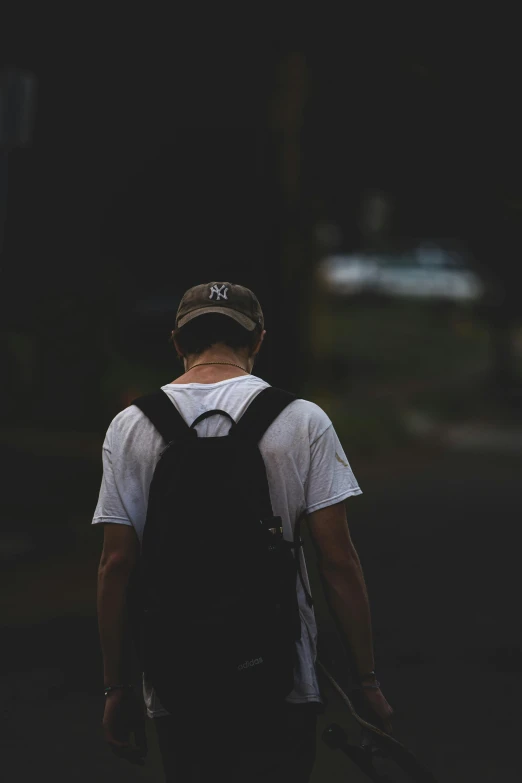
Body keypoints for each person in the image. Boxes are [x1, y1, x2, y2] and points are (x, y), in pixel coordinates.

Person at [94, 281, 393, 782]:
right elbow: (338, 561)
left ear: (177, 342)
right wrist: (365, 681)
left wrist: (116, 688)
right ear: (258, 341)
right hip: (279, 675)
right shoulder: (302, 421)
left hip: (175, 675)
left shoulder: (130, 426)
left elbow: (116, 564)